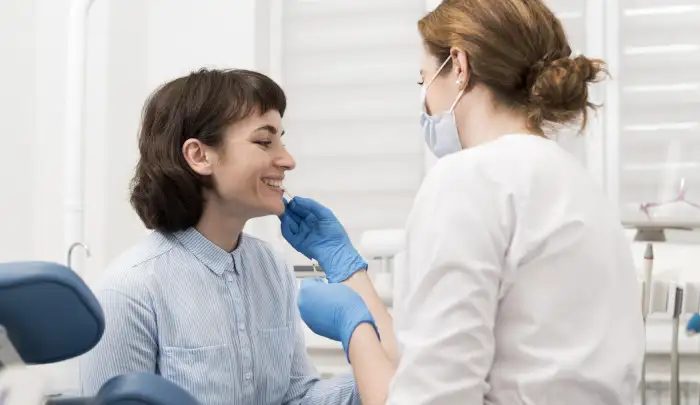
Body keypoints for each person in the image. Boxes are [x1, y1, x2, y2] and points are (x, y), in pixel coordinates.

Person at [279, 0, 646, 404]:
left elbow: (433, 396)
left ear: (458, 65)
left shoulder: (469, 179)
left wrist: (354, 329)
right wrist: (351, 274)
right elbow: (434, 354)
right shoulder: (578, 185)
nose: (424, 100)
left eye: (423, 80)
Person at [78, 68, 366, 405]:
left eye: (282, 141)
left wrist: (383, 367)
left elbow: (296, 397)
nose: (288, 160)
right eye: (264, 141)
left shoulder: (271, 267)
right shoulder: (129, 290)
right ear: (199, 156)